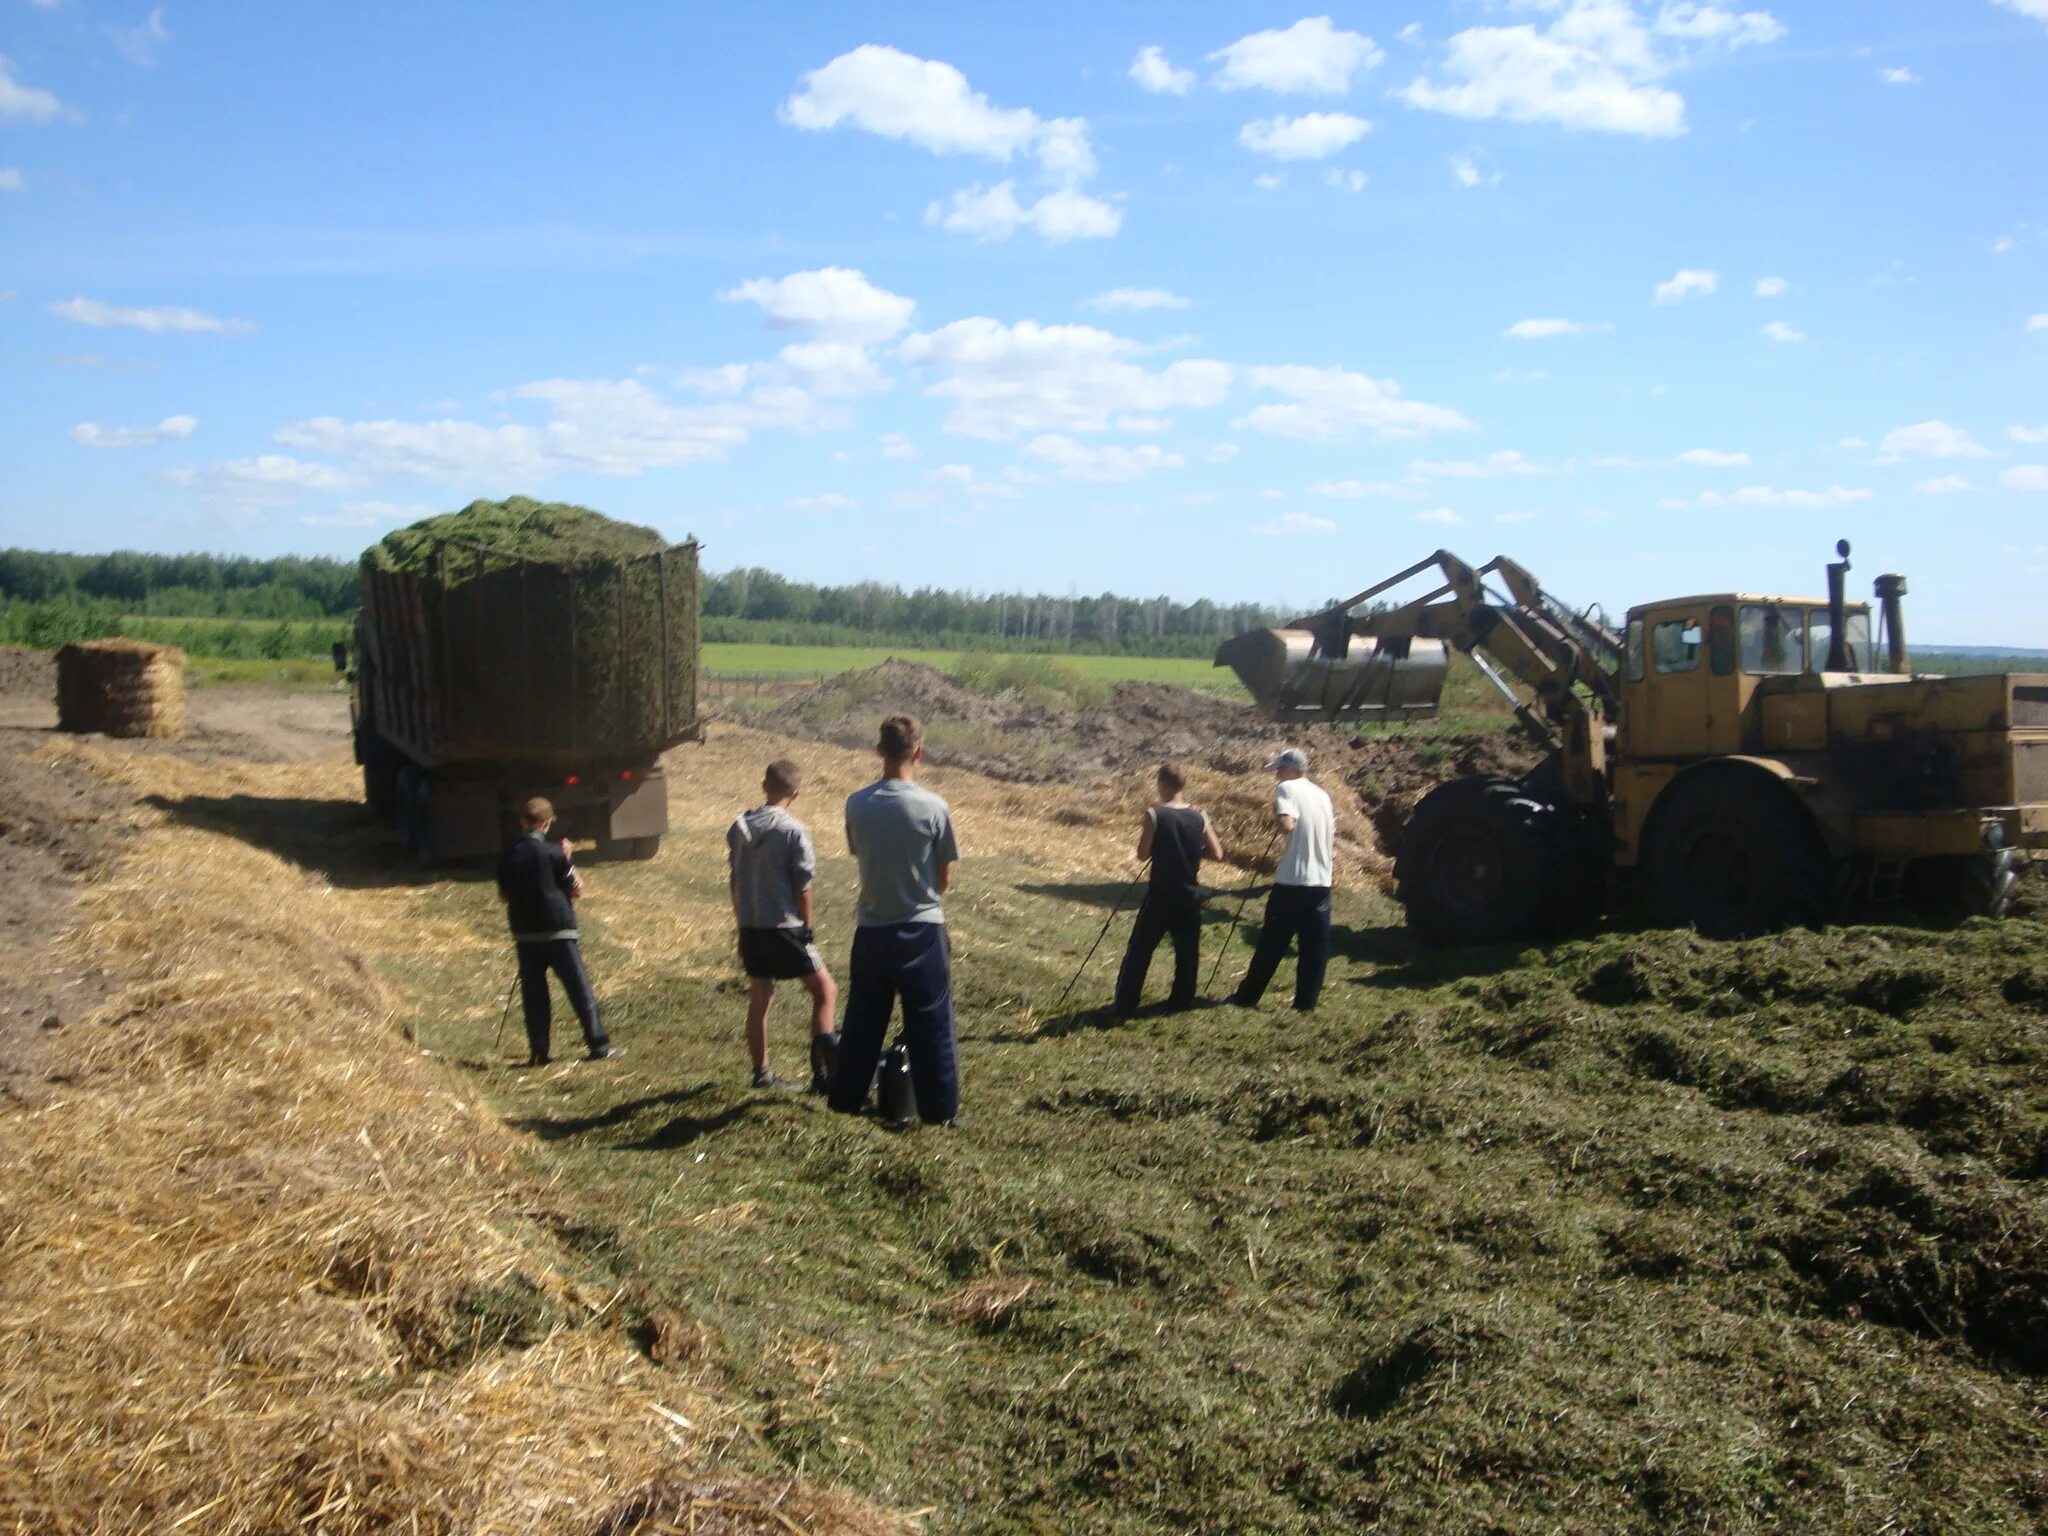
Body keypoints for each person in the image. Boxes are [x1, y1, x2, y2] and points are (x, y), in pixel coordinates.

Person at [827, 714, 961, 1126]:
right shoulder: (934, 807)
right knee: (932, 1023)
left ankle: (846, 1098)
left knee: (862, 1022)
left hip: (871, 930)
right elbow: (943, 875)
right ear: (918, 752)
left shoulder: (857, 804)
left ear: (879, 751)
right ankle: (940, 1111)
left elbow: (861, 855)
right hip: (921, 928)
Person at [727, 758, 840, 1092]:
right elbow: (802, 889)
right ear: (797, 792)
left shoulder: (738, 827)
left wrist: (742, 919)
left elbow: (735, 880)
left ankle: (761, 1073)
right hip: (785, 926)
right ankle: (823, 1076)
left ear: (764, 786)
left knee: (761, 995)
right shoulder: (794, 831)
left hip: (751, 924)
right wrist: (807, 928)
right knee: (825, 991)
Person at [497, 796, 616, 1066]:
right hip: (559, 931)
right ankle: (598, 1045)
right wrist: (568, 859)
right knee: (579, 989)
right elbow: (576, 889)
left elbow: (504, 897)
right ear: (547, 824)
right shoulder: (554, 854)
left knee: (535, 996)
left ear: (522, 822)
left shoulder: (508, 855)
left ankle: (539, 1053)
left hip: (525, 934)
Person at [1113, 763, 1224, 1019]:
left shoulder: (1155, 815)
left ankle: (1125, 1005)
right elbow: (1218, 853)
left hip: (1161, 894)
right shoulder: (1200, 817)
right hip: (1189, 894)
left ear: (1163, 785)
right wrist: (1193, 850)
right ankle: (1181, 1000)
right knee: (1187, 951)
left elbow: (1142, 855)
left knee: (1141, 949)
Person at [1229, 747, 1335, 1013]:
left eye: (1279, 769)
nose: (1276, 774)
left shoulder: (1286, 789)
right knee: (1314, 948)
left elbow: (1288, 824)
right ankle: (1305, 1003)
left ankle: (1247, 996)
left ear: (1290, 770)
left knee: (1271, 943)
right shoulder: (1323, 795)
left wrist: (1278, 817)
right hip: (1322, 881)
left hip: (1292, 881)